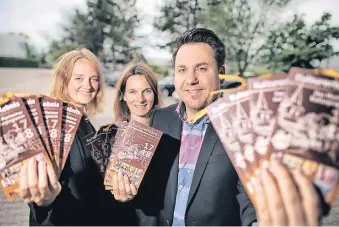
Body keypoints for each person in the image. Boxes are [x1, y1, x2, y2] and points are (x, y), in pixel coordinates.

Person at [134, 28, 321, 226]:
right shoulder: (160, 119)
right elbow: (151, 190)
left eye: (202, 68)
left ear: (221, 73)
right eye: (182, 70)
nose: (191, 79)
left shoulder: (245, 126)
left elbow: (250, 198)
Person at [19, 47, 138, 226]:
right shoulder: (51, 123)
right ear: (64, 81)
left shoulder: (84, 122)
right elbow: (38, 194)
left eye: (94, 79)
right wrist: (44, 200)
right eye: (79, 78)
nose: (88, 86)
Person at [110, 61, 163, 201]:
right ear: (123, 96)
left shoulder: (168, 134)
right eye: (132, 92)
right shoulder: (109, 136)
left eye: (147, 91)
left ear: (155, 94)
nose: (140, 99)